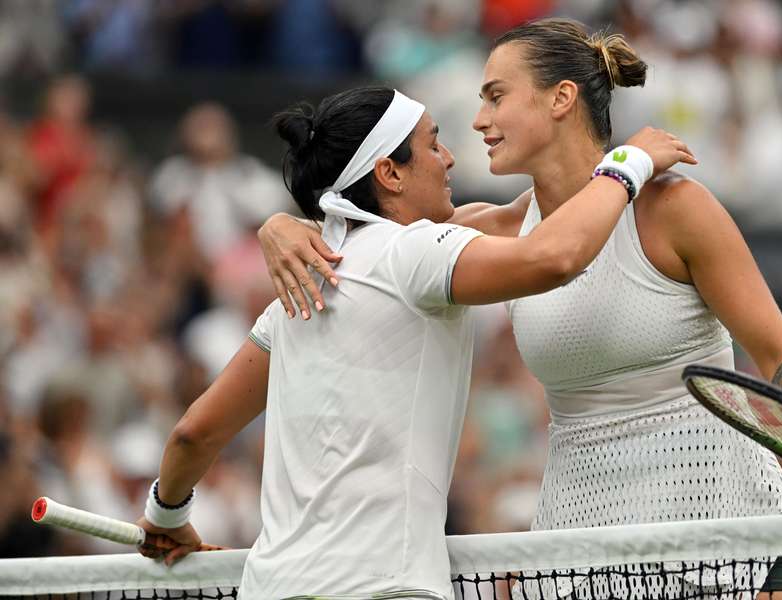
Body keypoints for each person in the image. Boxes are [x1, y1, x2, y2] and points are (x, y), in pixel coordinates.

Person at [257, 18, 782, 599]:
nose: (480, 120)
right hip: (581, 537)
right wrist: (280, 225)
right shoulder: (492, 229)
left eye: (496, 97)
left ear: (560, 99)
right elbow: (363, 235)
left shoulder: (676, 209)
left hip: (731, 525)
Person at [134, 84, 693, 600]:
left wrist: (164, 518)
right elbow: (555, 256)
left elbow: (193, 434)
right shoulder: (413, 254)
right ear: (389, 173)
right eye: (433, 145)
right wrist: (628, 163)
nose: (449, 158)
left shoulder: (294, 293)